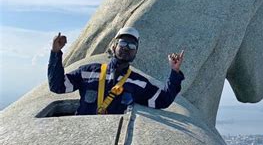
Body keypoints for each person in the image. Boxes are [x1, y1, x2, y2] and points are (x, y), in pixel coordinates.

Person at [48, 26, 185, 115]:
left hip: (111, 140)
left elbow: (163, 100)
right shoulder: (88, 71)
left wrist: (174, 72)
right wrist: (55, 53)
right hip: (83, 135)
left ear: (135, 53)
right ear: (114, 47)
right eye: (123, 43)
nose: (126, 48)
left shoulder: (138, 82)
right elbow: (57, 86)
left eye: (132, 46)